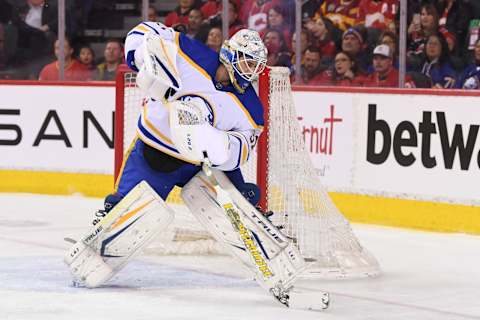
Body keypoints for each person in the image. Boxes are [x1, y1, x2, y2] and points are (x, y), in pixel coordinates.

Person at [65, 21, 268, 285]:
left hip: (202, 164)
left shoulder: (251, 106)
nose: (250, 71)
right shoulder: (189, 52)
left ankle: (260, 238)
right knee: (121, 212)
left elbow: (241, 149)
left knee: (243, 196)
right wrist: (142, 60)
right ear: (230, 53)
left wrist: (216, 144)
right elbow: (142, 33)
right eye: (247, 62)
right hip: (156, 151)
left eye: (255, 66)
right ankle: (100, 245)